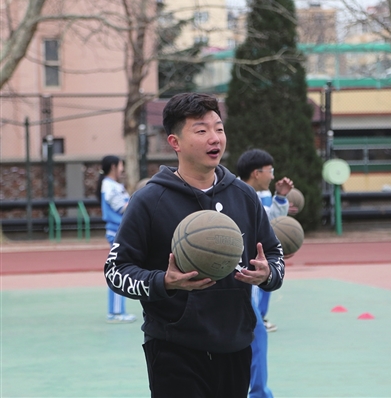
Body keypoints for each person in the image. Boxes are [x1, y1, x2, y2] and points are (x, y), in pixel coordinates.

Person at [104, 93, 285, 398]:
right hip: (173, 347)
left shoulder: (244, 196)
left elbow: (275, 256)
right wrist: (164, 281)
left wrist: (267, 274)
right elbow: (116, 271)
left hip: (235, 345)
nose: (215, 138)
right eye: (201, 130)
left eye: (219, 128)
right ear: (174, 142)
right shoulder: (149, 200)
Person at [237, 148, 295, 398]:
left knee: (255, 333)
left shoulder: (255, 196)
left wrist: (280, 197)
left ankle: (259, 392)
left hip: (250, 277)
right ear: (256, 172)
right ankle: (259, 393)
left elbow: (270, 224)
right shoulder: (235, 196)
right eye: (270, 171)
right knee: (255, 336)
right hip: (235, 280)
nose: (272, 176)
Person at [96, 155, 136, 324]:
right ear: (113, 167)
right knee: (119, 270)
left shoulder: (113, 185)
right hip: (117, 232)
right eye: (120, 166)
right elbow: (121, 208)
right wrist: (141, 200)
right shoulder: (110, 186)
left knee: (119, 269)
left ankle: (116, 311)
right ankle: (117, 312)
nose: (122, 169)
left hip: (118, 231)